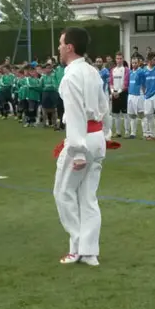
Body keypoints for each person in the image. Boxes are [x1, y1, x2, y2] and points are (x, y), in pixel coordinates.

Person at [53, 27, 110, 267]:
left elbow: (75, 115)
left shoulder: (71, 76)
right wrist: (105, 134)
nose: (58, 48)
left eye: (60, 43)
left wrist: (76, 151)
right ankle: (89, 251)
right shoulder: (92, 72)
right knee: (88, 196)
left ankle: (77, 245)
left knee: (63, 192)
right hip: (96, 137)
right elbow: (104, 106)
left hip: (83, 138)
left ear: (70, 47)